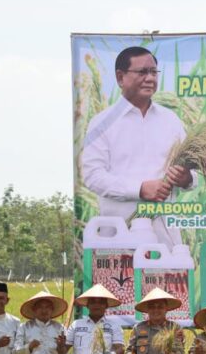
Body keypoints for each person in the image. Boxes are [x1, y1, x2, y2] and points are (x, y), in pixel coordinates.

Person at [81, 46, 197, 248]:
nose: (150, 78)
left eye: (154, 72)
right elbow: (93, 176)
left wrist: (187, 178)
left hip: (165, 242)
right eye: (142, 72)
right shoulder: (102, 122)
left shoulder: (171, 120)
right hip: (118, 239)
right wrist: (140, 189)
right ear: (120, 77)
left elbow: (194, 174)